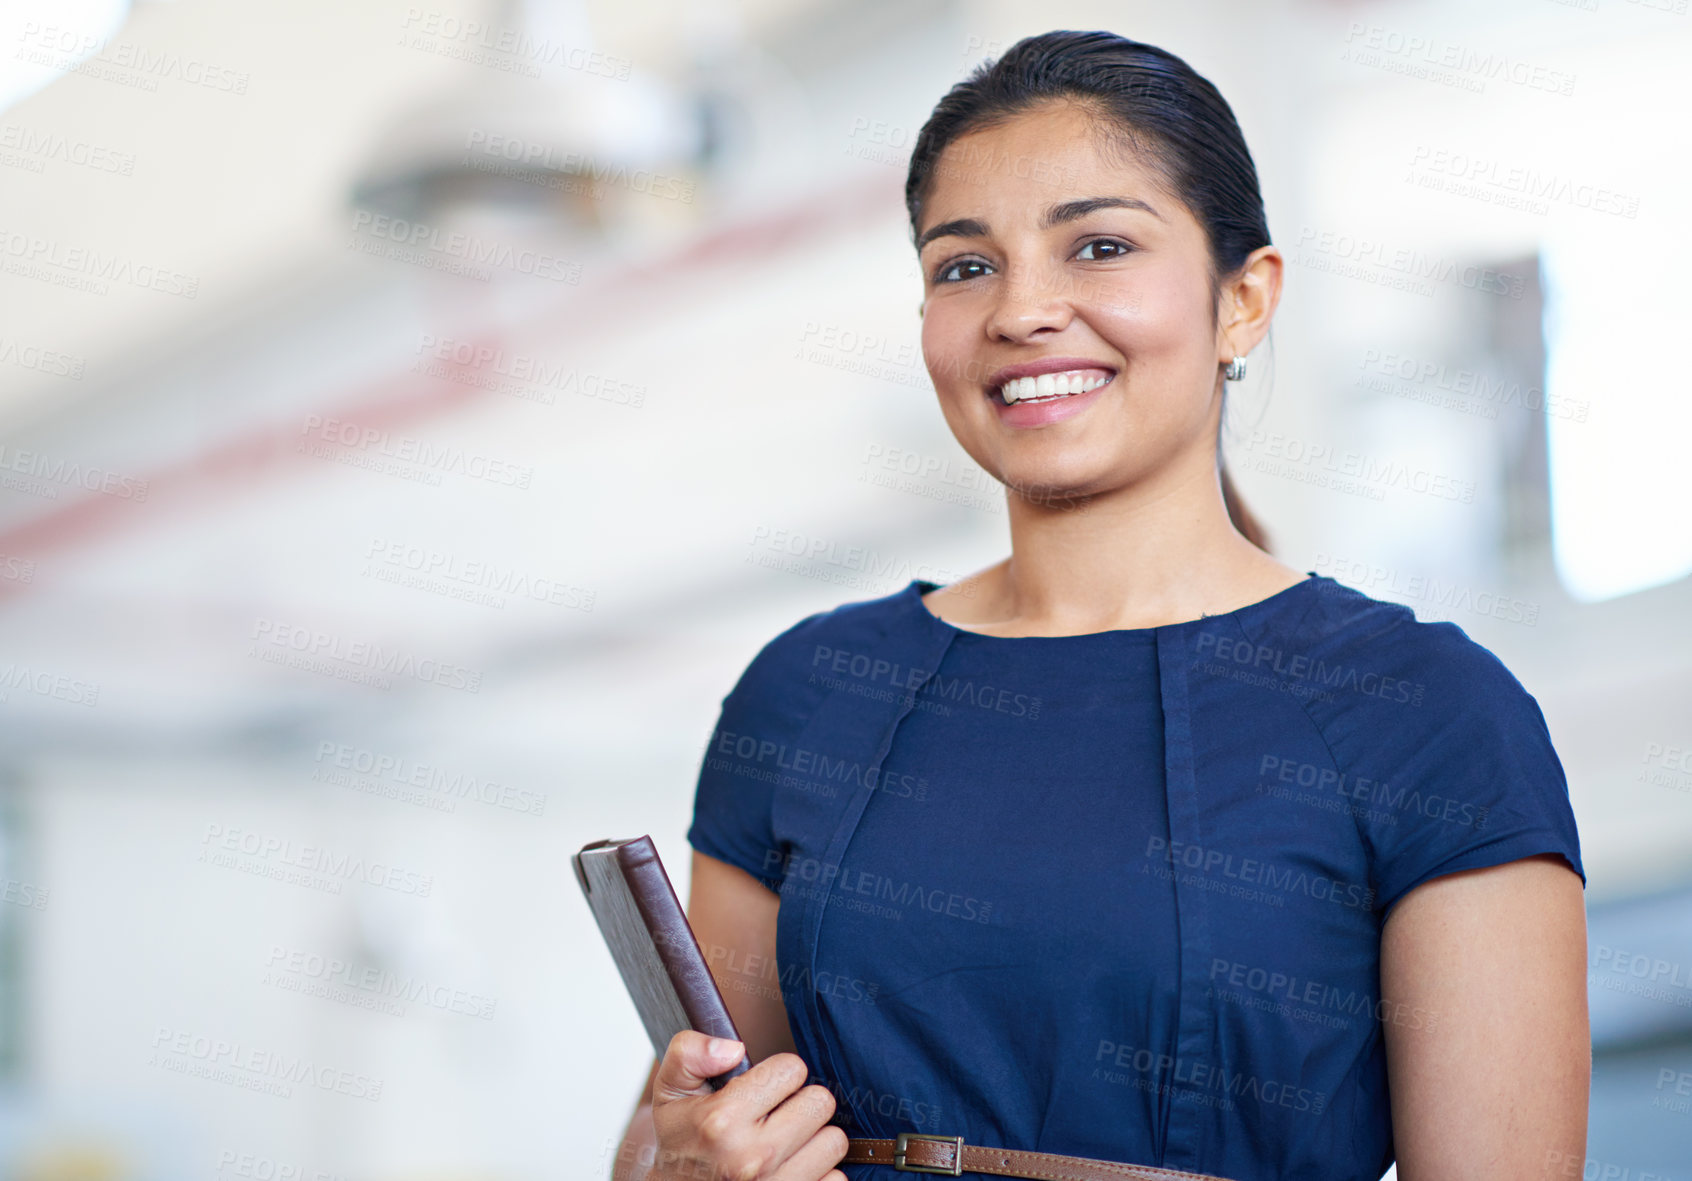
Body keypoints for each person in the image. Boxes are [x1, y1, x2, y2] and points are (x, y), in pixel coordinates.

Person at [611, 29, 1587, 1181]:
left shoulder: (1424, 712)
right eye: (964, 265)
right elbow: (686, 1134)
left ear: (1244, 299)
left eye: (1100, 245)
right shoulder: (813, 690)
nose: (1024, 309)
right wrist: (678, 1164)